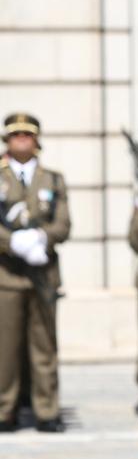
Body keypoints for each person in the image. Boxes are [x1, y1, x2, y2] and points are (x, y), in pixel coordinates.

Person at [0, 113, 70, 432]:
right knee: (6, 348)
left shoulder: (52, 179)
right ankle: (6, 409)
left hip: (43, 273)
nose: (22, 139)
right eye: (16, 135)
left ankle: (46, 409)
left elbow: (63, 224)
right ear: (7, 140)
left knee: (44, 346)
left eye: (28, 135)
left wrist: (43, 237)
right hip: (7, 275)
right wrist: (10, 241)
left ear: (37, 140)